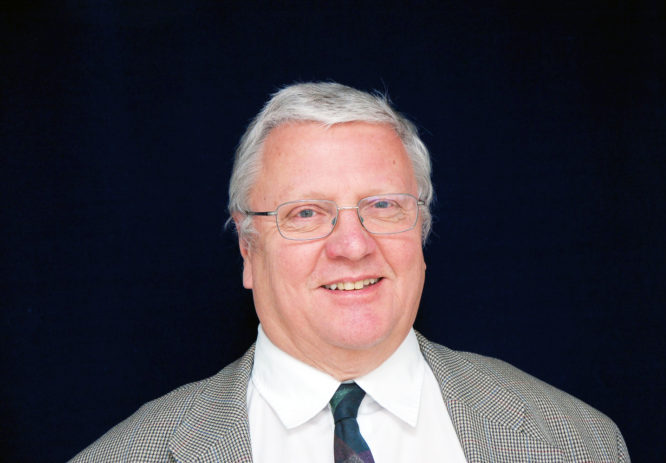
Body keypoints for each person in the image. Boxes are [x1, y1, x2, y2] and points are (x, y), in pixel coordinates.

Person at [70, 82, 630, 462]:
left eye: (383, 205)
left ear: (421, 230)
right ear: (247, 249)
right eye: (306, 214)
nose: (353, 245)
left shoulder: (578, 443)